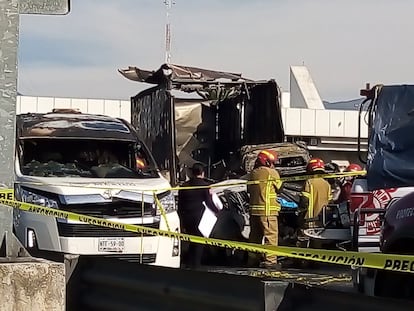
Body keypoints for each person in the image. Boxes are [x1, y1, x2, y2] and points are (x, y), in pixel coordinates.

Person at [177, 163, 219, 268]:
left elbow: (180, 204)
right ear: (203, 173)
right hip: (199, 217)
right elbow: (209, 203)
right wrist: (217, 210)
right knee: (199, 242)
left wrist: (181, 220)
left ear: (191, 173)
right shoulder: (205, 186)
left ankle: (189, 263)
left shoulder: (183, 186)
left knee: (191, 240)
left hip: (186, 217)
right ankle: (196, 266)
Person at [247, 150, 282, 269]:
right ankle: (270, 262)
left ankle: (252, 259)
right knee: (271, 237)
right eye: (272, 162)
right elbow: (280, 188)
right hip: (268, 211)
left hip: (254, 212)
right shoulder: (272, 173)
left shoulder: (253, 173)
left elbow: (249, 190)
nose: (273, 165)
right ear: (267, 162)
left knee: (254, 237)